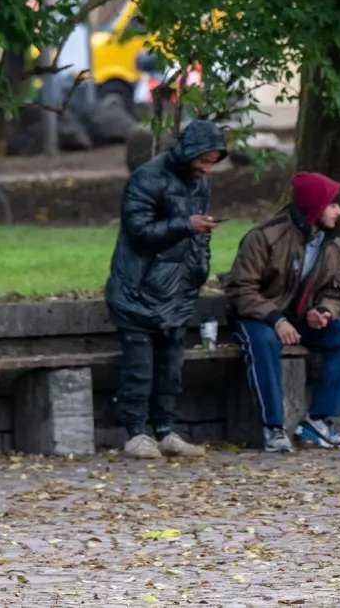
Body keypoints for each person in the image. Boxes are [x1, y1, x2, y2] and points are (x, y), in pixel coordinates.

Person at [105, 119, 228, 459]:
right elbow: (139, 229)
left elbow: (200, 232)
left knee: (170, 367)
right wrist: (185, 225)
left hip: (177, 289)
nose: (206, 168)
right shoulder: (147, 178)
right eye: (203, 160)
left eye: (212, 162)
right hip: (138, 287)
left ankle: (165, 430)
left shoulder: (199, 185)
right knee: (140, 366)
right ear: (189, 153)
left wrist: (199, 266)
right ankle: (134, 433)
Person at [224, 172, 340, 453]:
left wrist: (323, 310)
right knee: (264, 342)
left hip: (300, 319)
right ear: (315, 206)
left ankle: (318, 421)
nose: (339, 211)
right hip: (258, 317)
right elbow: (241, 289)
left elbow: (333, 290)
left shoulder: (332, 244)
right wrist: (276, 319)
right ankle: (273, 428)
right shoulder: (265, 237)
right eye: (333, 204)